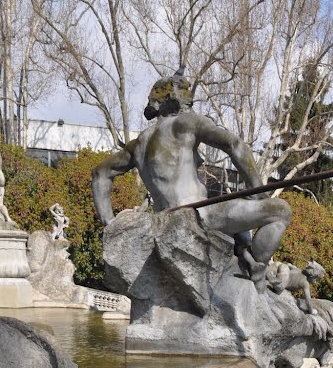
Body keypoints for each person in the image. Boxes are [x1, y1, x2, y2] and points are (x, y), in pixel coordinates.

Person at [91, 69, 291, 284]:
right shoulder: (186, 123)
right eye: (186, 92)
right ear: (173, 98)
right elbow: (235, 145)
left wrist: (109, 223)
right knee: (280, 211)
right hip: (199, 214)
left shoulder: (138, 143)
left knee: (241, 230)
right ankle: (256, 275)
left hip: (165, 217)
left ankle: (246, 259)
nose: (190, 98)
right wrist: (259, 191)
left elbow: (100, 173)